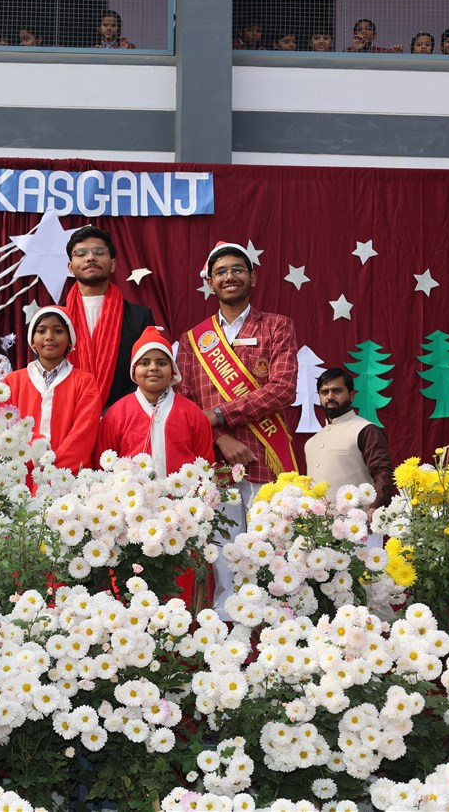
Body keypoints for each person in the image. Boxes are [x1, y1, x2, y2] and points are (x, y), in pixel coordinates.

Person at [176, 241, 298, 616]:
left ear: (252, 277)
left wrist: (221, 415)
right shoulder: (193, 340)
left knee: (271, 550)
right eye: (221, 272)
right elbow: (186, 405)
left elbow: (283, 388)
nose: (229, 277)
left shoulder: (277, 326)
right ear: (209, 282)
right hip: (217, 464)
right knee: (225, 554)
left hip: (266, 457)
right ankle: (228, 631)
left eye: (237, 269)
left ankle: (275, 631)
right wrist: (220, 437)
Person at [96, 326, 214, 478]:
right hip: (131, 493)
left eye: (161, 363)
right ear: (134, 370)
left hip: (183, 493)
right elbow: (104, 465)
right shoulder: (116, 414)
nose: (153, 368)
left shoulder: (192, 413)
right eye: (145, 363)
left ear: (173, 370)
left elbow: (205, 465)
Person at [63, 225, 155, 411]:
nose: (90, 257)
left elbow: (147, 374)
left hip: (124, 417)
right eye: (81, 253)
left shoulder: (140, 317)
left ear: (113, 264)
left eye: (99, 252)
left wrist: (114, 414)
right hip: (67, 416)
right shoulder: (54, 319)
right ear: (70, 267)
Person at [1, 306, 102, 472]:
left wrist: (53, 469)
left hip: (68, 477)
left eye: (58, 331)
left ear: (70, 340)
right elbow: (7, 428)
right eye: (41, 331)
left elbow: (83, 433)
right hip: (22, 475)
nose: (49, 337)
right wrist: (35, 451)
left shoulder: (85, 382)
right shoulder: (12, 382)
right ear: (32, 339)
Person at [304, 368, 396, 528]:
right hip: (319, 532)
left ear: (351, 395)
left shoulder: (366, 430)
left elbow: (383, 472)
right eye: (324, 392)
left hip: (359, 528)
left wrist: (376, 507)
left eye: (337, 391)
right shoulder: (311, 442)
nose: (330, 396)